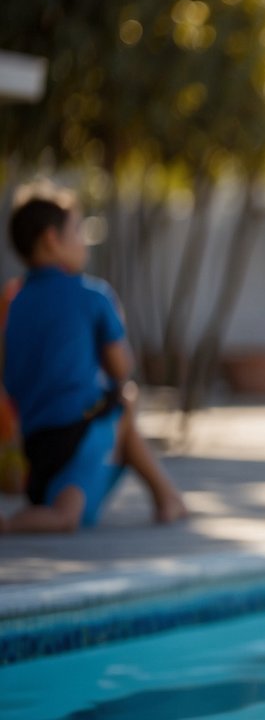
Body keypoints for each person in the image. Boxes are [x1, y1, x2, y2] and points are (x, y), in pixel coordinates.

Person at [0, 180, 187, 534]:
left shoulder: (14, 302)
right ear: (52, 240)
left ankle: (168, 498)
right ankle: (167, 497)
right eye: (78, 231)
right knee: (123, 405)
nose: (85, 240)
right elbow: (122, 367)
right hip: (76, 439)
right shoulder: (93, 295)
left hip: (35, 448)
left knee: (61, 502)